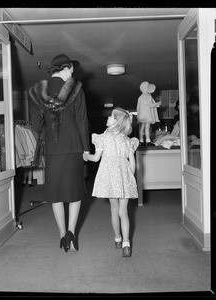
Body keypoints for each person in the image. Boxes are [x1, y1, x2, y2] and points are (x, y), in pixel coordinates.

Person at [29, 54, 90, 252]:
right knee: (75, 192)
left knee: (55, 194)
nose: (73, 72)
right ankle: (72, 233)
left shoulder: (38, 92)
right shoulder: (77, 89)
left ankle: (62, 235)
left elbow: (36, 126)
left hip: (53, 150)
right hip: (73, 147)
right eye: (71, 68)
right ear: (64, 68)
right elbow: (82, 121)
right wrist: (86, 148)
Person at [83, 107, 139, 257]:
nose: (107, 118)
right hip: (124, 177)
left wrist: (85, 156)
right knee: (124, 212)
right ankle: (127, 243)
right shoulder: (127, 141)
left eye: (110, 116)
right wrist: (130, 178)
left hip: (109, 177)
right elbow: (132, 163)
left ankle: (118, 239)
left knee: (114, 210)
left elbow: (96, 158)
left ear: (116, 121)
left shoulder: (102, 137)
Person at [136, 81, 161, 145]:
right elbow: (150, 105)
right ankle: (148, 140)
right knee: (147, 127)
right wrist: (158, 104)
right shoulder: (147, 96)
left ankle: (141, 141)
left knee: (142, 127)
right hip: (147, 114)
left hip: (142, 115)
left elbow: (138, 107)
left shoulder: (140, 97)